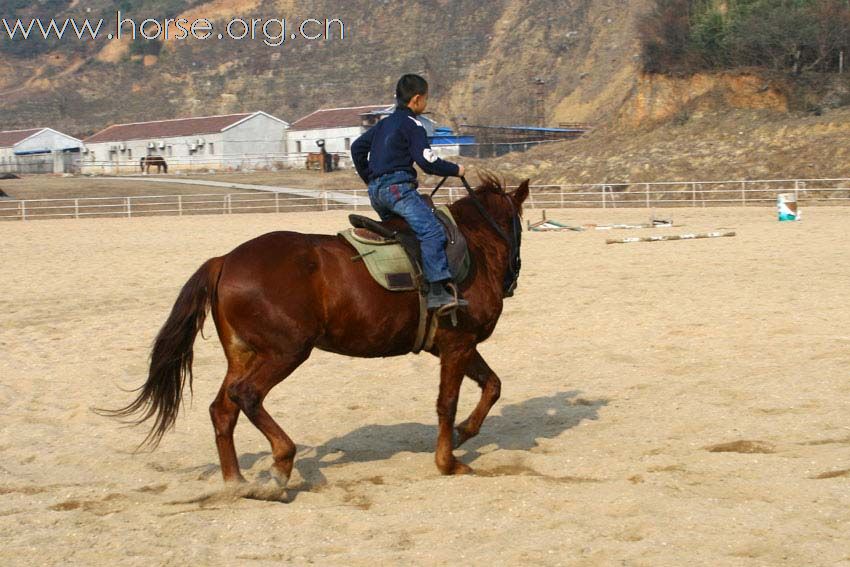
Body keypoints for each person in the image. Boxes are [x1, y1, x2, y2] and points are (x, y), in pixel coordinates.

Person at [351, 74, 467, 311]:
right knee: (432, 231)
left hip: (377, 194)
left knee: (402, 235)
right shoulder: (413, 125)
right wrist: (456, 169)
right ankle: (436, 293)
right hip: (399, 192)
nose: (425, 103)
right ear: (416, 100)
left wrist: (370, 178)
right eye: (425, 99)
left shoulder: (383, 124)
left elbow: (357, 148)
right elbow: (427, 161)